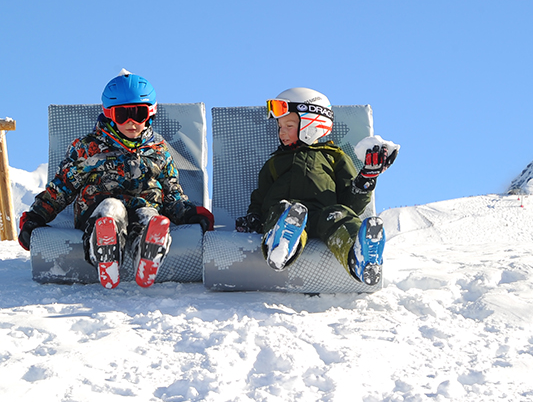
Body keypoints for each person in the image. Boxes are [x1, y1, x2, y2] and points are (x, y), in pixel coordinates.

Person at [18, 70, 214, 289]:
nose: (131, 122)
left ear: (150, 113)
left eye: (137, 114)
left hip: (144, 203)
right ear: (109, 114)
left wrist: (188, 212)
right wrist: (36, 216)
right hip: (98, 207)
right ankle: (103, 249)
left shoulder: (158, 151)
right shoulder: (88, 148)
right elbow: (62, 186)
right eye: (122, 115)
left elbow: (171, 191)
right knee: (112, 208)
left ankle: (146, 252)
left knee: (149, 215)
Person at [235, 87, 397, 286]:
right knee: (282, 210)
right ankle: (281, 246)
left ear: (312, 125)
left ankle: (359, 257)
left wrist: (367, 178)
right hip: (286, 212)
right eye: (279, 127)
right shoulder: (275, 163)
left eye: (289, 125)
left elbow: (351, 203)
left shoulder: (334, 157)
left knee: (340, 214)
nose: (281, 132)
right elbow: (260, 197)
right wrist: (254, 216)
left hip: (323, 214)